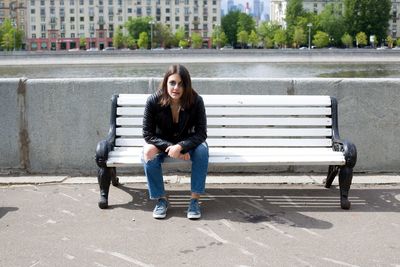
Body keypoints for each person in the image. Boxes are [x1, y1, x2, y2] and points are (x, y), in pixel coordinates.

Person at [142, 64, 209, 219]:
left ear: (187, 85)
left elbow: (201, 134)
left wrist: (182, 147)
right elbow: (148, 134)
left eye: (181, 84)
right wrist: (171, 148)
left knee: (202, 151)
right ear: (166, 83)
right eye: (172, 82)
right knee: (148, 152)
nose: (176, 88)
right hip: (162, 142)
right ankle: (161, 200)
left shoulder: (196, 101)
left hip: (188, 142)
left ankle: (194, 201)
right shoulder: (153, 101)